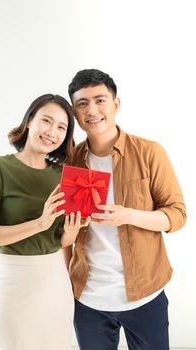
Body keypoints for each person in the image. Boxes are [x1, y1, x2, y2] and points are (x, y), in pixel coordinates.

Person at [66, 69, 186, 350]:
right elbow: (63, 228)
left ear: (116, 105)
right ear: (74, 111)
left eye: (100, 100)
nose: (92, 110)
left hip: (144, 293)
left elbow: (177, 214)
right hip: (88, 298)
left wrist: (128, 215)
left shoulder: (149, 152)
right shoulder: (70, 160)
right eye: (82, 103)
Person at [0, 94, 90, 350]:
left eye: (61, 127)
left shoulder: (64, 176)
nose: (52, 132)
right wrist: (40, 222)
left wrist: (71, 232)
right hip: (13, 281)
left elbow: (61, 241)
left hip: (55, 283)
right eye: (46, 121)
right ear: (29, 121)